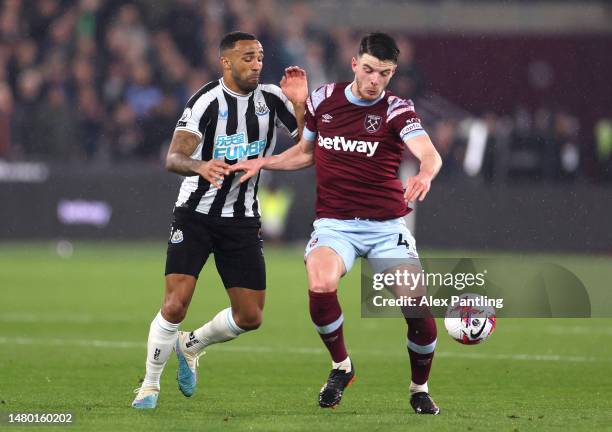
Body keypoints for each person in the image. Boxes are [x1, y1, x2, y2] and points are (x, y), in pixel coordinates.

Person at [232, 32, 443, 414]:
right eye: (368, 69)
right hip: (335, 225)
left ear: (392, 74)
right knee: (320, 282)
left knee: (416, 309)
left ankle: (419, 387)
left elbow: (429, 153)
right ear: (354, 64)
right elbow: (305, 153)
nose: (374, 79)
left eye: (384, 73)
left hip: (386, 227)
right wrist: (263, 161)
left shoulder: (397, 110)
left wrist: (426, 174)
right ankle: (341, 367)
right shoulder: (324, 99)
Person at [132, 31, 308, 409]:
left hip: (242, 219)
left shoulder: (273, 99)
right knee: (176, 304)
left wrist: (299, 105)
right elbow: (173, 158)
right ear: (225, 62)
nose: (257, 64)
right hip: (195, 215)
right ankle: (149, 385)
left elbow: (310, 146)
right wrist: (199, 165)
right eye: (247, 58)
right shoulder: (205, 102)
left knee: (251, 316)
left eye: (260, 57)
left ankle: (191, 345)